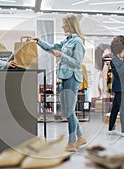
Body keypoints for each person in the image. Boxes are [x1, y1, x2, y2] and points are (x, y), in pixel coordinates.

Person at [32, 15, 86, 152]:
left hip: (72, 78)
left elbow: (77, 63)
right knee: (68, 111)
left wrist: (61, 55)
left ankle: (72, 141)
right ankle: (80, 137)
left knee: (69, 111)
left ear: (71, 25)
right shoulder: (67, 41)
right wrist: (39, 41)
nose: (63, 27)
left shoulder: (77, 42)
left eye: (64, 25)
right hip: (64, 77)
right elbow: (51, 48)